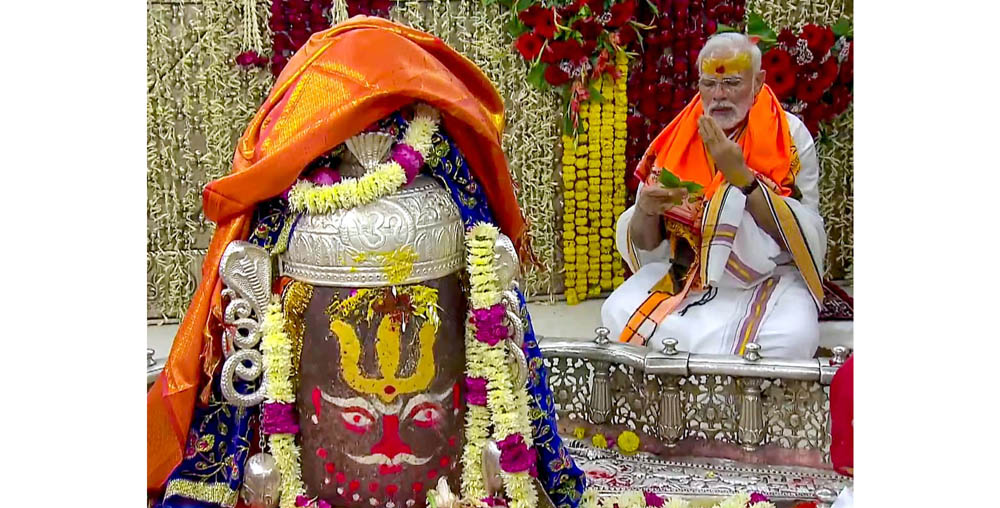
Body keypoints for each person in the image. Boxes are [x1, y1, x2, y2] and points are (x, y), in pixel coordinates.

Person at [601, 32, 826, 359]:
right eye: (709, 83)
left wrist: (745, 181)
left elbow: (803, 237)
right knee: (615, 311)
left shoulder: (789, 137)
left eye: (732, 82)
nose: (719, 96)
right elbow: (647, 243)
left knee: (793, 335)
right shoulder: (677, 140)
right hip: (688, 278)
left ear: (758, 81)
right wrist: (645, 211)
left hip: (768, 280)